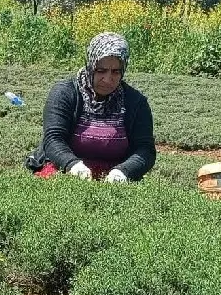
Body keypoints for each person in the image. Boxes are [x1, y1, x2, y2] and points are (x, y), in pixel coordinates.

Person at [25, 32, 156, 183]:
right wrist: (73, 165)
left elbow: (145, 149)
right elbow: (53, 139)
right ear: (91, 65)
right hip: (64, 169)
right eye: (101, 70)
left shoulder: (136, 102)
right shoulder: (65, 93)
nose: (108, 79)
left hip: (114, 176)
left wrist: (123, 171)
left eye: (116, 72)